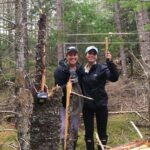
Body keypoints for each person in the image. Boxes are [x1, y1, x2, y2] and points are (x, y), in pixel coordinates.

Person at [82, 46, 119, 150]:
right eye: (89, 53)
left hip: (101, 104)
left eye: (94, 53)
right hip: (87, 106)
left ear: (96, 56)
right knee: (88, 134)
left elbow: (114, 78)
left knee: (102, 133)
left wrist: (110, 62)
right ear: (86, 55)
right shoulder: (82, 70)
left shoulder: (102, 68)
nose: (91, 55)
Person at [54, 46, 84, 150]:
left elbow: (85, 86)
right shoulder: (60, 70)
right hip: (63, 104)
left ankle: (73, 147)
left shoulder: (81, 69)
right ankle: (65, 147)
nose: (72, 57)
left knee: (75, 129)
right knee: (63, 128)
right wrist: (68, 85)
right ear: (66, 56)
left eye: (74, 54)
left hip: (76, 105)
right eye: (70, 55)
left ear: (77, 56)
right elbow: (57, 89)